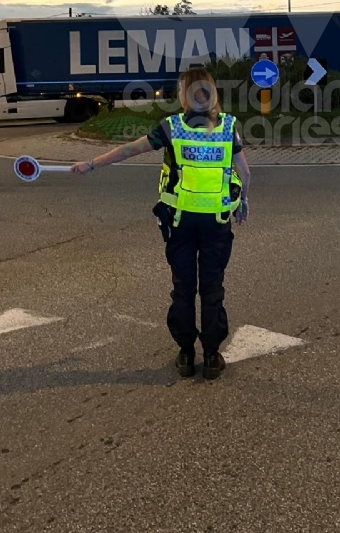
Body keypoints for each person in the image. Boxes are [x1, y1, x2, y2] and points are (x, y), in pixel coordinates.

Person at [72, 67, 250, 381]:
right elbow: (246, 174)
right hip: (217, 221)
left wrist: (91, 164)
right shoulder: (229, 127)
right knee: (212, 288)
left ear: (183, 93)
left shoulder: (172, 128)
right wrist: (243, 202)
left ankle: (185, 354)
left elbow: (129, 150)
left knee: (183, 288)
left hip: (180, 220)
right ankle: (211, 356)